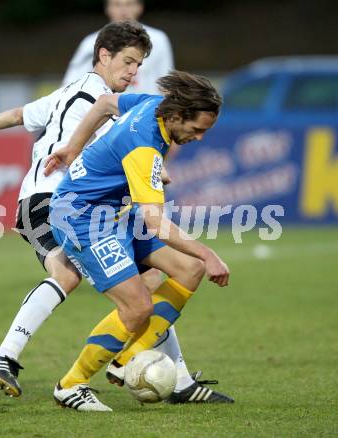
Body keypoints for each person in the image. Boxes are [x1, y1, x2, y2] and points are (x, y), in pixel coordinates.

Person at [0, 21, 152, 398]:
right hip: (52, 199)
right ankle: (7, 354)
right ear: (104, 56)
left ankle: (7, 355)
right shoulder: (100, 103)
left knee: (129, 275)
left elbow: (19, 114)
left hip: (47, 202)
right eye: (128, 61)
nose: (133, 71)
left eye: (138, 65)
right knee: (82, 273)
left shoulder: (70, 92)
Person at [49, 71, 234, 412]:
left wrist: (73, 147)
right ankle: (71, 385)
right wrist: (209, 253)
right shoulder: (146, 148)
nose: (200, 138)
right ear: (178, 117)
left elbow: (105, 104)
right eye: (197, 130)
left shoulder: (154, 105)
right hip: (80, 217)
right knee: (137, 306)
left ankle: (127, 359)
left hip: (114, 211)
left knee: (188, 269)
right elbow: (156, 222)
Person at [62, 0, 173, 94]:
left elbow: (166, 81)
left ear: (140, 7)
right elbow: (71, 82)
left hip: (144, 112)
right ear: (107, 9)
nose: (123, 11)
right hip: (105, 114)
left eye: (129, 4)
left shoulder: (158, 39)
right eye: (117, 5)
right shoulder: (91, 42)